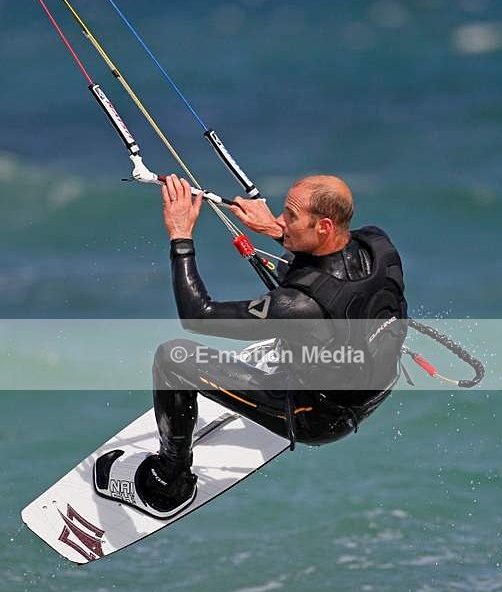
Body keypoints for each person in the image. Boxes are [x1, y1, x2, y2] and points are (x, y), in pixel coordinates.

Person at [94, 174, 407, 518]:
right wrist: (277, 232)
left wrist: (181, 234)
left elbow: (198, 316)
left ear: (324, 226)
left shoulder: (298, 307)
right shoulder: (379, 246)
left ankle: (171, 482)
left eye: (290, 216)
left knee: (174, 360)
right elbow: (330, 279)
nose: (279, 219)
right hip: (377, 384)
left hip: (319, 416)